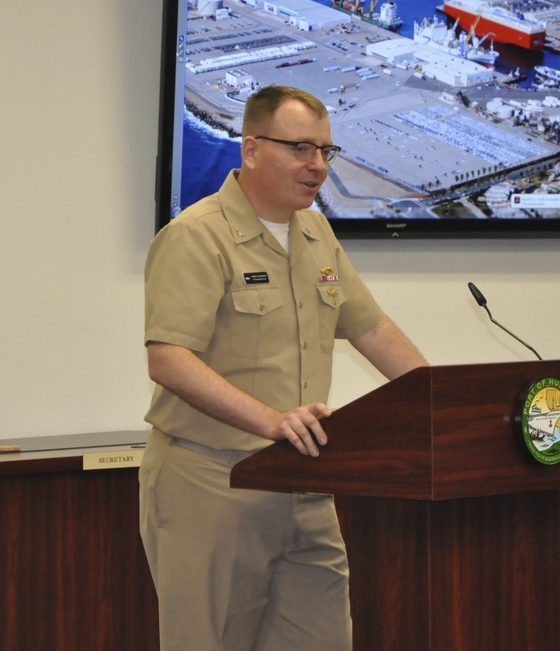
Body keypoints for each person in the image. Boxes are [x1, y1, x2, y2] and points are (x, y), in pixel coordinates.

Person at [139, 84, 428, 651]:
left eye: (325, 151)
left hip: (307, 482)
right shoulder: (196, 235)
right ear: (250, 150)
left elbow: (371, 328)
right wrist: (272, 420)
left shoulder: (317, 232)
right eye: (300, 148)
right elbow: (168, 359)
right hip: (213, 484)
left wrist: (442, 399)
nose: (317, 165)